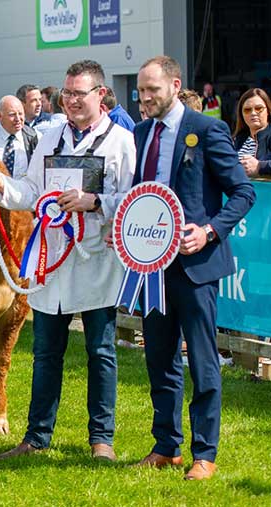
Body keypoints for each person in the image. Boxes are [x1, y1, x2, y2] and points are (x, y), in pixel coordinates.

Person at [0, 60, 136, 463]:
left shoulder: (121, 141)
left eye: (78, 94)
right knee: (45, 352)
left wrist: (96, 201)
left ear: (100, 95)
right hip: (51, 261)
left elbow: (133, 198)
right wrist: (2, 184)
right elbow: (31, 191)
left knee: (100, 351)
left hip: (95, 261)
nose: (70, 101)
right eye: (66, 93)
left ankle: (101, 439)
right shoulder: (49, 138)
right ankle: (36, 436)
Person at [132, 55, 255, 480]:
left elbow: (242, 193)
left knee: (203, 362)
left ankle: (205, 453)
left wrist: (209, 231)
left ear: (174, 84)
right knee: (158, 360)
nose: (145, 98)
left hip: (196, 267)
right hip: (152, 268)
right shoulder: (141, 132)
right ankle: (167, 446)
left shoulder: (207, 130)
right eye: (141, 91)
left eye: (153, 90)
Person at [0, 95, 39, 179]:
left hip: (22, 190)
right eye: (12, 115)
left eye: (21, 113)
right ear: (0, 116)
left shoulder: (33, 137)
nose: (18, 118)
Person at [233, 88, 271, 177]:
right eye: (247, 110)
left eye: (259, 108)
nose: (253, 113)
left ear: (268, 111)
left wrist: (259, 167)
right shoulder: (236, 140)